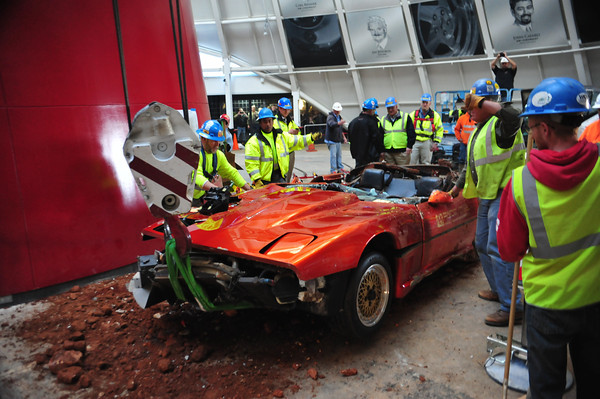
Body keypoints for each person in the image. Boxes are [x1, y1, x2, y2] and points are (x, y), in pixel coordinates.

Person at [497, 77, 600, 398]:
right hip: (595, 297)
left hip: (546, 305)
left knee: (546, 388)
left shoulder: (520, 183)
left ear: (545, 128)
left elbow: (510, 251)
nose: (529, 132)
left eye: (531, 126)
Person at [449, 78, 526, 326]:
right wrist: (456, 188)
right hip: (487, 193)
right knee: (481, 242)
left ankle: (512, 306)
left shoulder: (502, 126)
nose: (469, 110)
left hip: (504, 192)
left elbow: (515, 117)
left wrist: (485, 102)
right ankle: (498, 289)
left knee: (498, 247)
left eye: (474, 105)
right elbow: (472, 161)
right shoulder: (481, 127)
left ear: (488, 103)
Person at [244, 108, 320, 185]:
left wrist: (311, 138)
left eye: (269, 121)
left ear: (273, 121)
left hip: (280, 177)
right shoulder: (253, 142)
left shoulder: (281, 136)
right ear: (260, 123)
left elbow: (297, 140)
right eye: (265, 122)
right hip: (264, 181)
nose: (268, 124)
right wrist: (256, 179)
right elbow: (251, 164)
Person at [192, 120, 252, 206]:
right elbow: (197, 177)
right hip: (187, 200)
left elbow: (232, 173)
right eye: (214, 141)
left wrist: (249, 190)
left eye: (218, 140)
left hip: (201, 198)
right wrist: (219, 191)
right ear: (203, 138)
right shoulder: (195, 154)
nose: (217, 144)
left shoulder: (218, 155)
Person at [348, 98, 384, 168]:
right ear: (371, 109)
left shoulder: (353, 122)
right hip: (370, 156)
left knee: (359, 173)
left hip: (358, 156)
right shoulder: (372, 122)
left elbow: (351, 139)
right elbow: (376, 139)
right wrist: (381, 151)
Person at [380, 96, 415, 166]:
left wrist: (409, 146)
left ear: (396, 106)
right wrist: (382, 150)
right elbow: (380, 136)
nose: (390, 110)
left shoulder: (405, 117)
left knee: (404, 172)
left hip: (402, 152)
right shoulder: (383, 119)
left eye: (392, 107)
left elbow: (411, 133)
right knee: (390, 172)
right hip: (388, 153)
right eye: (388, 108)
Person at [409, 93, 443, 164]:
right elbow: (407, 128)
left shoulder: (435, 116)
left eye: (426, 103)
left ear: (430, 103)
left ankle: (425, 175)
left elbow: (439, 130)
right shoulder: (413, 115)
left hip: (427, 142)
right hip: (415, 142)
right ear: (420, 103)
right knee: (412, 162)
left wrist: (436, 143)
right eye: (423, 102)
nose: (425, 104)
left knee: (426, 163)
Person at [273, 97, 301, 182]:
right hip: (280, 153)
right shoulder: (274, 120)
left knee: (288, 176)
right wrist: (288, 133)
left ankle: (287, 189)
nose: (286, 112)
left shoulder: (290, 121)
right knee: (281, 176)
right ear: (280, 108)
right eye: (284, 109)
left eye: (288, 109)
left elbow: (297, 132)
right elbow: (275, 134)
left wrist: (296, 132)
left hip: (290, 152)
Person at [324, 102, 347, 173]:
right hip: (331, 140)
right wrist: (339, 123)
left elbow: (340, 128)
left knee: (339, 155)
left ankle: (340, 168)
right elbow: (331, 124)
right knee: (333, 156)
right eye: (337, 110)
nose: (338, 112)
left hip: (337, 139)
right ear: (334, 110)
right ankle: (333, 170)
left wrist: (344, 137)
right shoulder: (330, 117)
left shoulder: (339, 117)